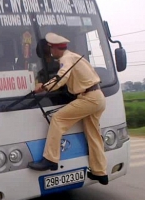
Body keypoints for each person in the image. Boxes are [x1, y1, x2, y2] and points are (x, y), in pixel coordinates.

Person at [28, 32, 108, 185]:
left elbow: (62, 77)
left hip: (88, 97)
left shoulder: (66, 59)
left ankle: (50, 159)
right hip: (98, 96)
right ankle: (100, 172)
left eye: (51, 49)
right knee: (93, 134)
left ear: (56, 49)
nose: (51, 52)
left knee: (58, 119)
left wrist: (43, 87)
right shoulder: (75, 56)